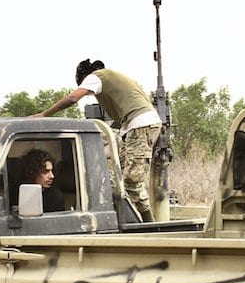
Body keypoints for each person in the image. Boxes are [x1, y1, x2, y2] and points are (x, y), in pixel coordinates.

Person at [33, 59, 161, 222]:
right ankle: (128, 219)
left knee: (131, 180)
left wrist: (44, 114)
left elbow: (73, 99)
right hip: (134, 126)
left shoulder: (95, 77)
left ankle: (149, 225)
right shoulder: (111, 78)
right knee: (119, 179)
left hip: (140, 125)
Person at [18, 148, 65, 213]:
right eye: (45, 171)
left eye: (52, 171)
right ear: (32, 172)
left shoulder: (55, 196)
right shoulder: (18, 193)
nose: (52, 176)